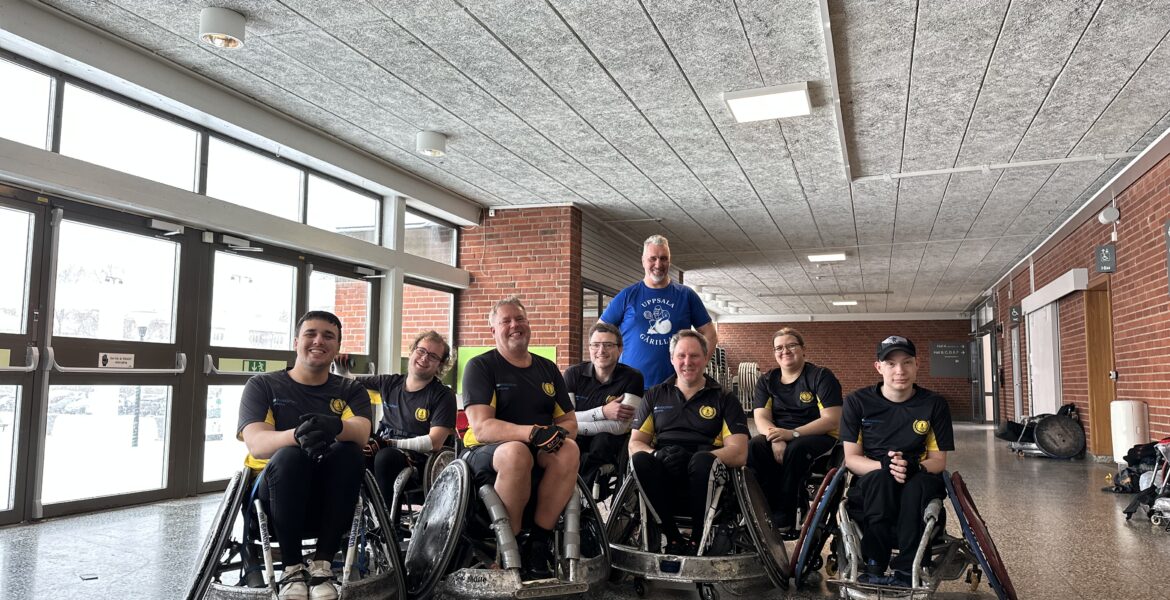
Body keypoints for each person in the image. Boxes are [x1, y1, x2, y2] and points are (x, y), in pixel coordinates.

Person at [238, 311, 373, 600]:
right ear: (296, 341)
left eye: (328, 336)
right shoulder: (263, 385)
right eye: (311, 333)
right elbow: (257, 444)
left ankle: (323, 565)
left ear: (337, 347)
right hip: (274, 499)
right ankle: (292, 569)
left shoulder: (350, 390)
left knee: (350, 450)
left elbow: (362, 433)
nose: (319, 341)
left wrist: (335, 426)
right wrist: (297, 435)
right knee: (291, 456)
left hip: (331, 500)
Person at [461, 297, 579, 580]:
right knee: (517, 452)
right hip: (487, 452)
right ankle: (509, 547)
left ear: (528, 324)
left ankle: (537, 543)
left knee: (569, 449)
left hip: (536, 449)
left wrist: (557, 435)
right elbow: (482, 427)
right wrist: (532, 432)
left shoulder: (547, 368)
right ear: (493, 330)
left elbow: (569, 422)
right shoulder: (481, 366)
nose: (515, 325)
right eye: (506, 321)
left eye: (520, 319)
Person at [839, 336, 955, 588]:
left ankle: (907, 569)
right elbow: (851, 459)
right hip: (873, 477)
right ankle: (874, 564)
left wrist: (916, 467)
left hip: (918, 476)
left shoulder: (934, 404)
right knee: (882, 480)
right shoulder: (857, 402)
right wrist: (885, 466)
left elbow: (939, 462)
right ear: (878, 367)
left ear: (917, 364)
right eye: (891, 364)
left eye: (907, 362)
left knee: (917, 486)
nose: (900, 370)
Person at [628, 330, 749, 555]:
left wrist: (696, 458)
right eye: (681, 356)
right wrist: (656, 455)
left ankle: (697, 539)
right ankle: (673, 537)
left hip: (707, 471)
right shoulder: (654, 395)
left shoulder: (724, 398)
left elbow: (739, 452)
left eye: (694, 356)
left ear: (705, 358)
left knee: (702, 462)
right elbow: (635, 443)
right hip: (664, 467)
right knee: (640, 460)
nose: (687, 362)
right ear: (671, 358)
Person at [747, 327, 842, 533]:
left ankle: (787, 514)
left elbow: (832, 419)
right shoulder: (767, 381)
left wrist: (792, 434)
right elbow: (761, 417)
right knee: (755, 445)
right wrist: (775, 437)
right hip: (781, 434)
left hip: (819, 435)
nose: (785, 351)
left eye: (791, 345)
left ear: (803, 349)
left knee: (796, 448)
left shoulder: (820, 376)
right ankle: (762, 510)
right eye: (779, 348)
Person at [599, 235, 717, 388]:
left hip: (674, 389)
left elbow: (710, 334)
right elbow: (600, 333)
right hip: (632, 388)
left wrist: (698, 367)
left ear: (669, 261)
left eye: (663, 258)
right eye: (652, 258)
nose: (658, 264)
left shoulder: (686, 296)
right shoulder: (627, 296)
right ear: (643, 261)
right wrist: (608, 373)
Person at [359, 330, 456, 500]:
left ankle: (386, 517)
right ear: (412, 351)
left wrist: (388, 443)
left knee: (385, 457)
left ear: (440, 365)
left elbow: (434, 442)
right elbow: (346, 386)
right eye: (421, 350)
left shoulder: (443, 395)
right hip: (383, 448)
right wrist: (341, 371)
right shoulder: (389, 383)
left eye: (433, 356)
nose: (424, 358)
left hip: (419, 462)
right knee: (354, 453)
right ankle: (364, 513)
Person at [563, 322, 644, 498]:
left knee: (602, 441)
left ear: (620, 349)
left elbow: (620, 427)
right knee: (567, 445)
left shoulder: (633, 377)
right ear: (589, 348)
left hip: (609, 442)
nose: (601, 350)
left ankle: (582, 499)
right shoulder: (572, 374)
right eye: (596, 345)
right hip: (577, 438)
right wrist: (603, 412)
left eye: (608, 345)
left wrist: (573, 425)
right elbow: (564, 419)